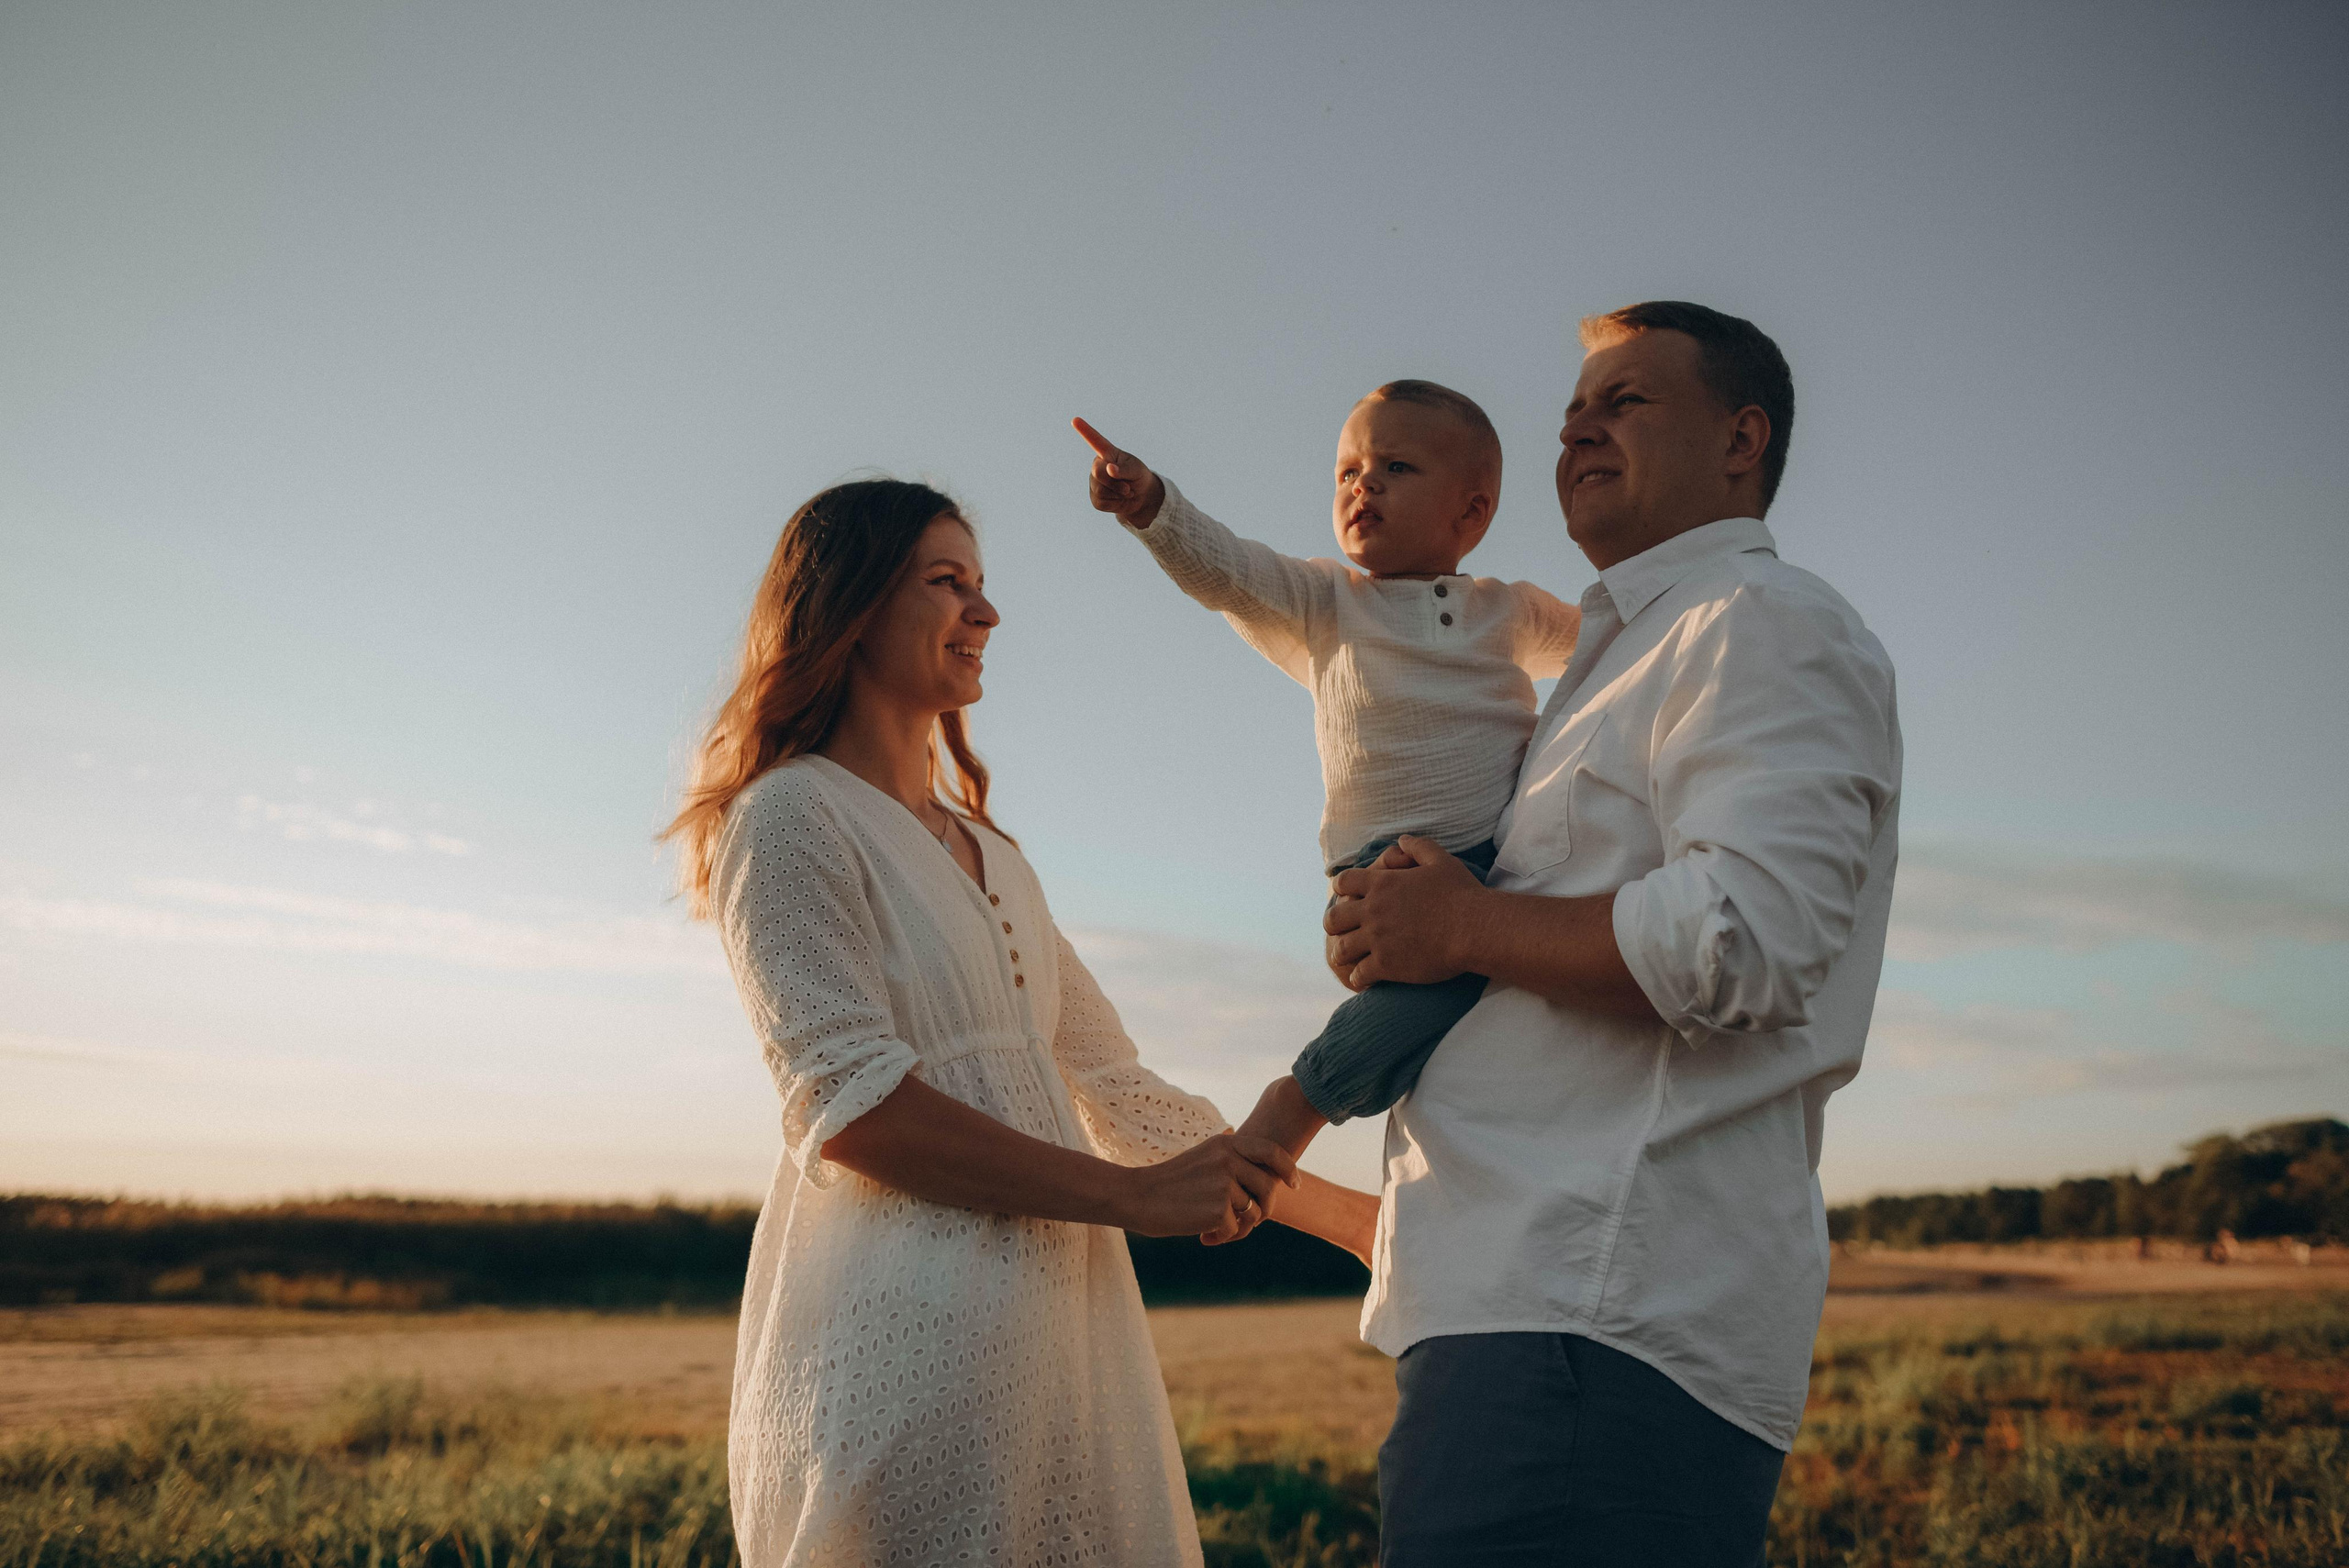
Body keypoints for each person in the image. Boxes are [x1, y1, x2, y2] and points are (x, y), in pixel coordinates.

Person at [664, 478, 1378, 1567]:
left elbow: (1120, 1091)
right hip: (897, 1348)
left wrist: (1360, 1224)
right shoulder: (790, 816)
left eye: (983, 585)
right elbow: (848, 1102)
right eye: (947, 583)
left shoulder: (995, 856)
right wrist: (1123, 1197)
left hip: (1064, 1350)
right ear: (849, 606)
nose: (986, 614)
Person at [1325, 303, 1902, 1565]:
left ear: (1741, 438)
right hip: (1523, 1311)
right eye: (1574, 407)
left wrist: (1468, 922)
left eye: (1627, 400)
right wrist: (1404, 926)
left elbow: (1746, 935)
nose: (1579, 424)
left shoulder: (1758, 620)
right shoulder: (1610, 664)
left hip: (1594, 1326)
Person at [1073, 386, 1579, 1170]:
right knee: (1451, 981)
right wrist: (1154, 509)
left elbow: (1607, 643)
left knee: (1532, 951)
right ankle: (1302, 1100)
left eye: (1395, 466)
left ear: (1471, 513)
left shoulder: (1507, 611)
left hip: (1502, 859)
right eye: (1347, 471)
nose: (1362, 485)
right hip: (1389, 869)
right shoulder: (1325, 602)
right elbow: (1227, 571)